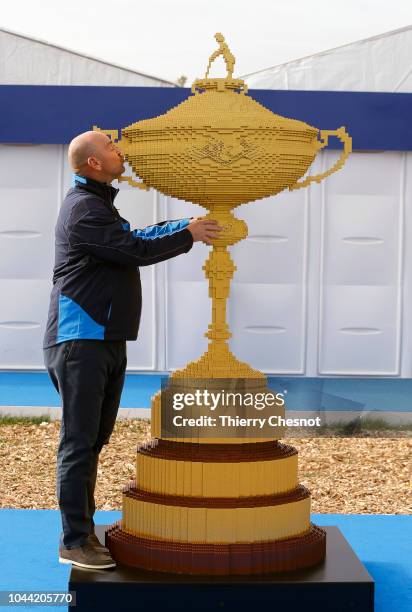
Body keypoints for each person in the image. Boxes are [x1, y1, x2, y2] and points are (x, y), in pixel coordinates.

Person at [43, 130, 221, 570]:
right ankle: (75, 541)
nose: (119, 150)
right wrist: (189, 236)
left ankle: (83, 530)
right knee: (79, 442)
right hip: (79, 340)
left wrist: (183, 226)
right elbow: (133, 249)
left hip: (101, 339)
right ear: (93, 164)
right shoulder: (84, 209)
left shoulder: (98, 203)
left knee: (93, 440)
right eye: (110, 146)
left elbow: (132, 236)